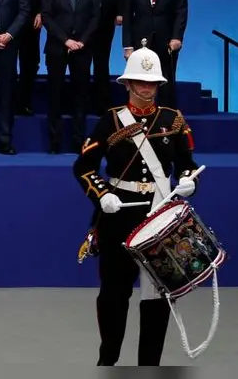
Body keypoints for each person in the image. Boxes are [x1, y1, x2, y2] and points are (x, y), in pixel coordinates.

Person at [74, 41, 201, 366]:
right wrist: (103, 195)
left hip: (161, 215)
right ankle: (108, 360)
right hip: (118, 218)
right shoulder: (111, 120)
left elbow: (188, 163)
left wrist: (189, 181)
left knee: (158, 296)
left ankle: (150, 365)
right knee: (114, 294)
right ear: (128, 83)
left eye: (153, 83)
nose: (147, 88)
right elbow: (84, 167)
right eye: (140, 82)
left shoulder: (172, 120)